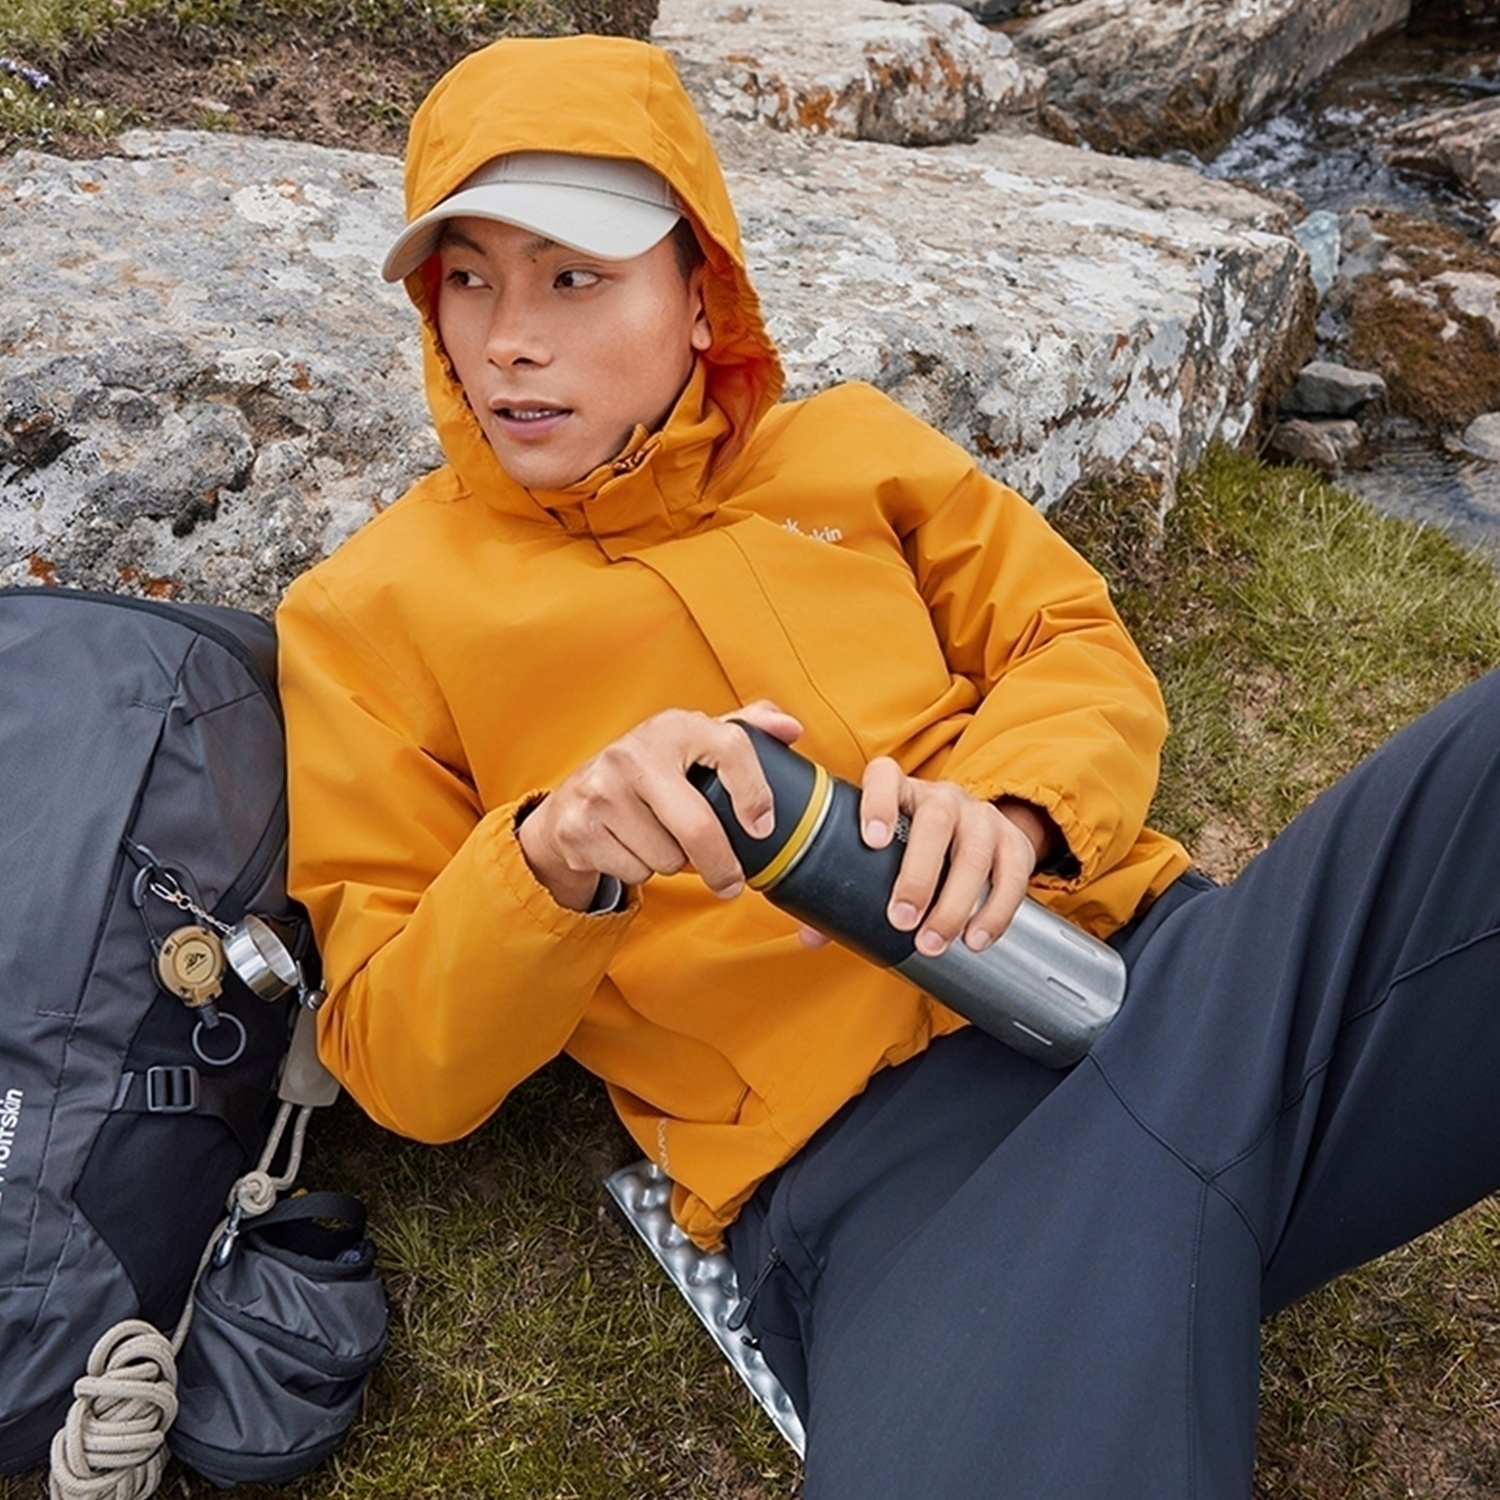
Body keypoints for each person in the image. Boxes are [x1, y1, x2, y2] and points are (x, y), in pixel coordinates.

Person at [276, 33, 1500, 1498]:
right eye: (467, 279)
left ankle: (1132, 1242)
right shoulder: (365, 617)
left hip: (1153, 977)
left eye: (574, 277)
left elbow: (1064, 636)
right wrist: (549, 858)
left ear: (700, 287)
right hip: (887, 1173)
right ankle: (1137, 1236)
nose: (508, 341)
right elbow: (397, 1063)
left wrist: (1016, 804)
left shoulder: (855, 448)